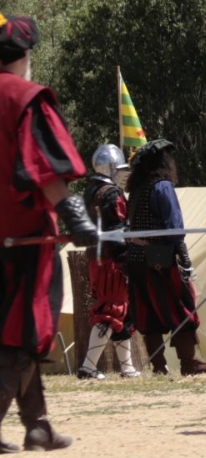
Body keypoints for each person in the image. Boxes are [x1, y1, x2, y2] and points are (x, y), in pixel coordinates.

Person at [0, 12, 97, 452]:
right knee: (22, 331)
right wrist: (75, 214)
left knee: (16, 329)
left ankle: (37, 424)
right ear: (24, 56)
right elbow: (43, 166)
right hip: (24, 240)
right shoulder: (23, 97)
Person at [122, 139, 206, 377]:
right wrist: (183, 258)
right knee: (181, 307)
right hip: (160, 261)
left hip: (136, 261)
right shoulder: (161, 187)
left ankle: (159, 367)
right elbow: (174, 228)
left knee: (149, 313)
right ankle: (188, 362)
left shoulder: (136, 190)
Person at [76, 144, 139, 380]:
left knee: (121, 313)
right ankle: (88, 367)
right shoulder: (111, 193)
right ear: (111, 168)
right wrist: (125, 260)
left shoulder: (90, 190)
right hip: (111, 258)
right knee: (110, 311)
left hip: (97, 257)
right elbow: (116, 230)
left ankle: (128, 368)